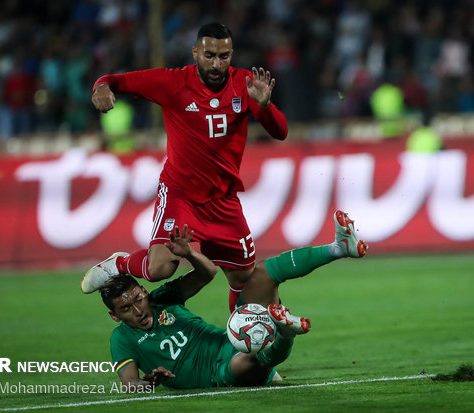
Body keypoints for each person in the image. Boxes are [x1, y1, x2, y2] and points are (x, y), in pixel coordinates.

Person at [86, 22, 289, 312]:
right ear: (195, 53)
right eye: (209, 55)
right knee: (160, 268)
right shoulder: (172, 83)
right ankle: (117, 264)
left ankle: (239, 340)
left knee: (244, 277)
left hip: (223, 201)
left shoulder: (245, 83)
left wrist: (266, 107)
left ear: (231, 54)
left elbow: (280, 133)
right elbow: (113, 80)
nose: (216, 63)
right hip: (181, 194)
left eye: (224, 56)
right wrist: (101, 88)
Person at [95, 211, 368, 390]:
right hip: (219, 373)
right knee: (247, 360)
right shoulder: (122, 338)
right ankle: (284, 333)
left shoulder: (162, 299)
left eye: (138, 300)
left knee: (256, 275)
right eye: (126, 309)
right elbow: (128, 383)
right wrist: (147, 381)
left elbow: (208, 273)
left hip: (230, 341)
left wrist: (189, 254)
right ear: (115, 316)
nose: (138, 310)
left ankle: (338, 248)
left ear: (144, 291)